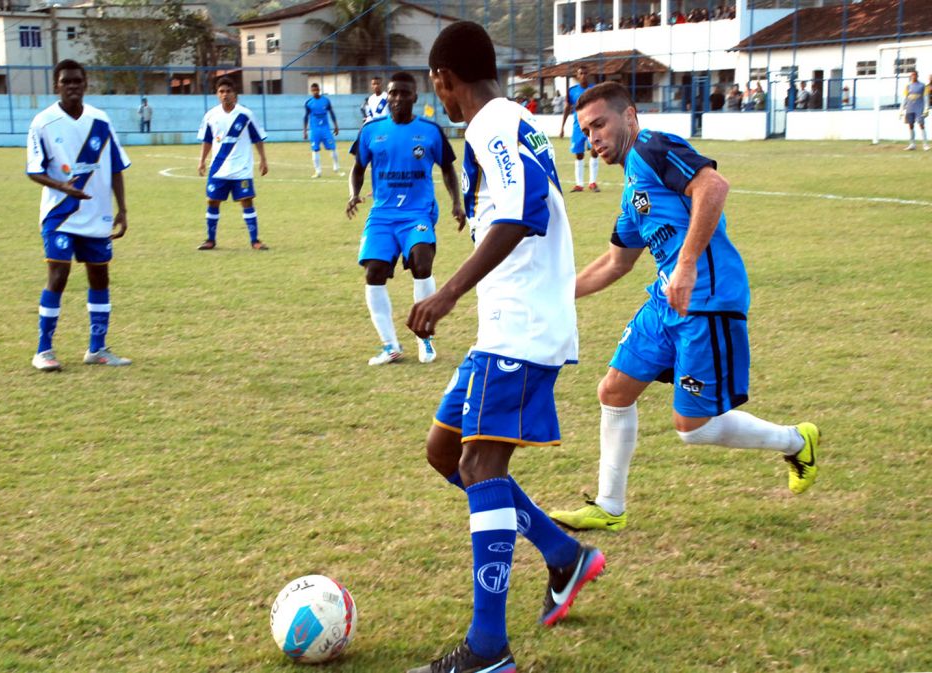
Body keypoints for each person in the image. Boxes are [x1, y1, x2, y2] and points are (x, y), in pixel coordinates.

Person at [404, 21, 606, 673]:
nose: (441, 99)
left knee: (482, 467)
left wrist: (449, 291)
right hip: (510, 327)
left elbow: (522, 213)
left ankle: (488, 651)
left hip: (521, 326)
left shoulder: (490, 122)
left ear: (443, 78)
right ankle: (564, 554)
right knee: (447, 453)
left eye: (438, 88)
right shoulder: (511, 117)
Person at [547, 82, 819, 533]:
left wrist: (688, 264)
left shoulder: (654, 146)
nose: (593, 138)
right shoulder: (632, 187)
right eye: (586, 130)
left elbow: (713, 185)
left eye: (600, 124)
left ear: (630, 117)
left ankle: (795, 440)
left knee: (692, 427)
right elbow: (616, 262)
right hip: (666, 301)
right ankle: (609, 506)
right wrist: (554, 293)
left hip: (708, 298)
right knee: (613, 391)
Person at [346, 71, 464, 366]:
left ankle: (424, 338)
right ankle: (390, 346)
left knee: (422, 264)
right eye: (392, 93)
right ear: (386, 96)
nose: (397, 98)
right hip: (383, 215)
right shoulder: (372, 130)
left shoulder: (430, 131)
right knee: (374, 272)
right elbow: (358, 167)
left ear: (415, 97)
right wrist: (354, 193)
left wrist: (456, 203)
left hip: (417, 213)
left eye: (403, 93)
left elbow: (449, 169)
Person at [26, 59, 132, 371]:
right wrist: (63, 187)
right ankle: (43, 351)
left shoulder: (101, 120)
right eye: (65, 82)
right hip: (60, 215)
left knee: (100, 276)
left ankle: (97, 349)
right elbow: (34, 170)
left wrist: (122, 209)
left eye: (77, 81)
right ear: (55, 86)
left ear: (86, 84)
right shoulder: (42, 123)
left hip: (97, 216)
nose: (72, 86)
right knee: (58, 276)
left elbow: (115, 167)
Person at [196, 77, 269, 251]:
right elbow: (206, 141)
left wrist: (263, 160)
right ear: (217, 94)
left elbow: (257, 138)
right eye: (221, 91)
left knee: (246, 201)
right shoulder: (211, 116)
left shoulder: (246, 115)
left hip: (241, 168)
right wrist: (201, 161)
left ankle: (255, 240)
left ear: (235, 94)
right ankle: (210, 240)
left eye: (228, 91)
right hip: (218, 168)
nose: (225, 95)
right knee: (212, 201)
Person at [560, 64, 600, 193]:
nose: (583, 75)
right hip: (578, 127)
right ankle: (579, 184)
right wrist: (562, 127)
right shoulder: (572, 91)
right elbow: (567, 108)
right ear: (577, 76)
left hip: (592, 126)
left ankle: (592, 182)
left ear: (589, 75)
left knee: (595, 151)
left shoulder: (594, 90)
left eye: (585, 73)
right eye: (581, 73)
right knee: (579, 154)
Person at [303, 82, 343, 177]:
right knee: (315, 150)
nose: (315, 92)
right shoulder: (309, 103)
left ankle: (336, 168)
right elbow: (305, 117)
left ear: (319, 90)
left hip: (326, 129)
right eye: (313, 90)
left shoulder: (326, 101)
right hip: (315, 130)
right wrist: (305, 130)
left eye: (317, 90)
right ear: (311, 91)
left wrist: (336, 126)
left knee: (333, 148)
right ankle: (318, 171)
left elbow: (332, 113)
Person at [900, 71, 929, 151]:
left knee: (921, 125)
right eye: (912, 75)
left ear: (917, 76)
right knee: (910, 125)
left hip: (919, 107)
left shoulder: (922, 85)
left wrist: (926, 108)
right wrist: (901, 109)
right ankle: (912, 144)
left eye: (915, 75)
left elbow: (926, 97)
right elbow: (905, 97)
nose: (913, 77)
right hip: (910, 107)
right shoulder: (908, 86)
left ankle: (925, 144)